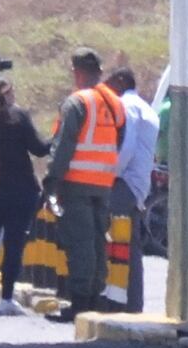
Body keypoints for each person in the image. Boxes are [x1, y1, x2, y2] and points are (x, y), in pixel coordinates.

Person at [43, 49, 126, 320]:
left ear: (77, 72)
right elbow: (118, 141)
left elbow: (63, 147)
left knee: (80, 243)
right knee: (97, 242)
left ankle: (80, 302)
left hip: (76, 183)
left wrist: (52, 181)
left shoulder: (77, 103)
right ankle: (93, 298)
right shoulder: (115, 103)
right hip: (103, 183)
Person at [0, 73, 49, 302]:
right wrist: (60, 134)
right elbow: (38, 149)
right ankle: (7, 298)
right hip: (22, 190)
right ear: (6, 93)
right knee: (14, 245)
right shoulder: (18, 116)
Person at [111, 65, 160, 311]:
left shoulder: (127, 106)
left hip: (124, 182)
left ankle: (113, 300)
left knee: (109, 238)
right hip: (139, 185)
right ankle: (133, 303)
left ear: (120, 82)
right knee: (131, 245)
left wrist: (111, 173)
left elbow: (126, 147)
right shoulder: (146, 108)